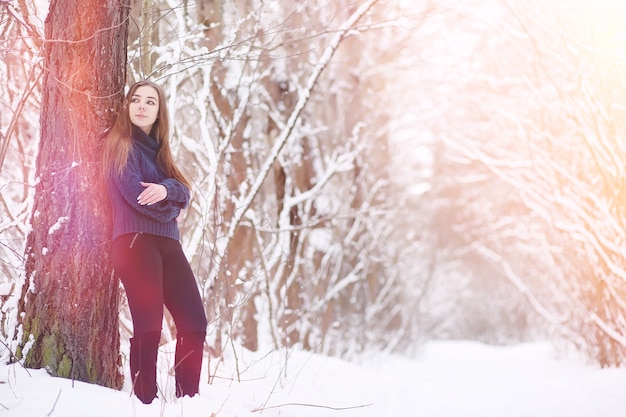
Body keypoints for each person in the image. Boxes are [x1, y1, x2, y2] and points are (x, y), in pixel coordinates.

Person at [101, 80, 208, 404]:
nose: (142, 106)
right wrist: (170, 203)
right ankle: (144, 402)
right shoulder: (119, 145)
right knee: (149, 325)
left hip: (168, 244)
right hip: (135, 243)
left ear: (159, 112)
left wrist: (166, 191)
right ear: (127, 105)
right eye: (136, 99)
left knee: (194, 322)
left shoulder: (161, 155)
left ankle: (188, 401)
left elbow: (185, 193)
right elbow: (136, 197)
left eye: (150, 102)